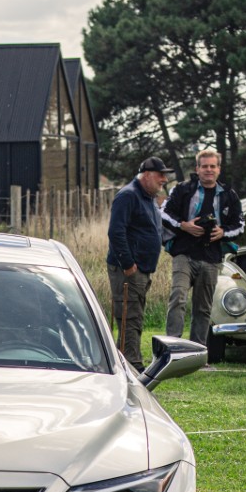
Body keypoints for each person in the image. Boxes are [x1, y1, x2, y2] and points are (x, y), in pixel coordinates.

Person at [161, 148, 244, 346]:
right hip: (184, 254)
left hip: (211, 258)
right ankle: (172, 347)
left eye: (213, 166)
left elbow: (240, 226)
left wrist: (223, 232)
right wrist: (184, 225)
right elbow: (163, 213)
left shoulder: (229, 195)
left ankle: (197, 352)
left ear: (219, 169)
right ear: (197, 169)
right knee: (178, 298)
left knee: (203, 308)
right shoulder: (182, 189)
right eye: (204, 166)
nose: (209, 170)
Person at [107, 156, 171, 371]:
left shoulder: (148, 197)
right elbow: (116, 232)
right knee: (130, 317)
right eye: (160, 175)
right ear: (147, 175)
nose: (164, 179)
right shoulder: (128, 196)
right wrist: (128, 264)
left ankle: (122, 364)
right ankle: (134, 367)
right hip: (128, 270)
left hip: (141, 269)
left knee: (134, 316)